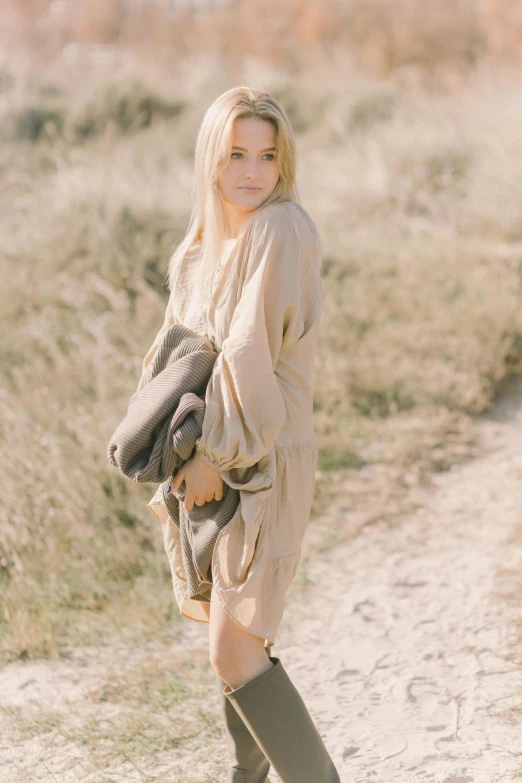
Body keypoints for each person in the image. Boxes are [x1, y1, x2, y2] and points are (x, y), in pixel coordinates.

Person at [138, 86, 341, 783]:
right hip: (214, 453)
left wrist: (209, 455)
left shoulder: (280, 228)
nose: (253, 171)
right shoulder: (197, 251)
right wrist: (179, 453)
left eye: (267, 154)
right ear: (210, 160)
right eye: (236, 155)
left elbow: (249, 358)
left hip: (260, 451)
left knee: (235, 645)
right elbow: (175, 359)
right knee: (236, 643)